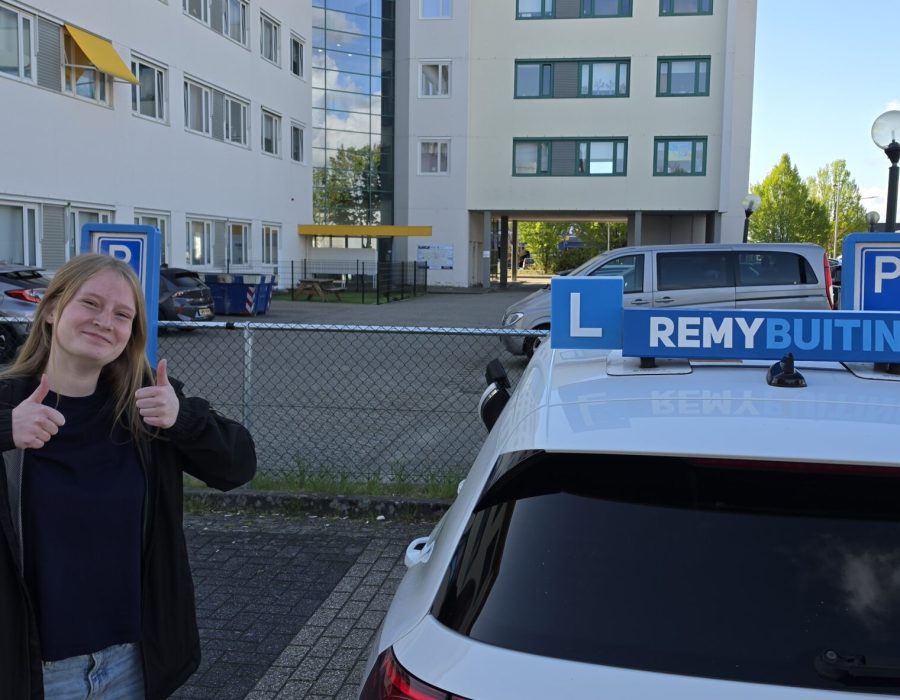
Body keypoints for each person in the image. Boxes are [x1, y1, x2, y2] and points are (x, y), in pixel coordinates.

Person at [0, 254, 257, 699]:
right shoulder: (8, 404)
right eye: (91, 304)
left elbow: (237, 467)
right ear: (52, 311)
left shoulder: (148, 405)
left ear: (131, 333)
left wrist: (183, 421)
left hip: (131, 666)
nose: (105, 322)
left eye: (122, 315)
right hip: (33, 673)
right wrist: (4, 430)